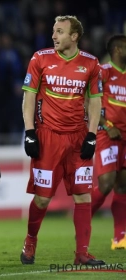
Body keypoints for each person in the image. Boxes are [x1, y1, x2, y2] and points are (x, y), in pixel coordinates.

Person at [20, 15, 106, 265]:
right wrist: (29, 132)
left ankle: (82, 253)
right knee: (43, 198)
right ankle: (30, 240)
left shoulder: (91, 64)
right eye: (53, 31)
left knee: (83, 195)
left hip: (78, 138)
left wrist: (91, 134)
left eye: (59, 32)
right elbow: (28, 99)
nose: (54, 36)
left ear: (74, 36)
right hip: (48, 138)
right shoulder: (40, 58)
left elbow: (94, 101)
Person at [91, 34, 126, 249]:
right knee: (106, 183)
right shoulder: (103, 72)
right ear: (118, 50)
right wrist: (107, 125)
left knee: (123, 185)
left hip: (125, 138)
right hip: (107, 134)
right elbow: (89, 100)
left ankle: (120, 238)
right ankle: (82, 220)